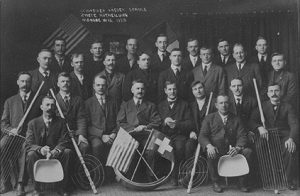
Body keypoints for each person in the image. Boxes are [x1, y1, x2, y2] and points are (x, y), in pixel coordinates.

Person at [249, 83, 299, 190]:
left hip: (283, 137)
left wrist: (291, 139)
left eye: (276, 91)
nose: (274, 93)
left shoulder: (288, 107)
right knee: (258, 148)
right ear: (267, 94)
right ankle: (263, 180)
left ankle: (288, 180)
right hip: (267, 136)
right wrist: (259, 127)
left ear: (281, 92)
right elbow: (252, 121)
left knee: (290, 149)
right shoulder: (262, 106)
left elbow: (294, 124)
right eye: (271, 91)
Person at [0, 72, 42, 196]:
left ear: (31, 83)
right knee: (1, 147)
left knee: (25, 149)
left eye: (27, 81)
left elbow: (42, 121)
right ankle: (6, 182)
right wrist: (11, 130)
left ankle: (20, 184)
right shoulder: (10, 101)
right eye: (22, 81)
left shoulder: (39, 99)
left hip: (29, 137)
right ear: (18, 82)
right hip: (13, 135)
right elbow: (3, 124)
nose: (25, 84)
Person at [199, 94, 252, 193]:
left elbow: (242, 136)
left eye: (226, 103)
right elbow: (202, 136)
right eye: (221, 103)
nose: (224, 105)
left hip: (233, 151)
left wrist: (237, 148)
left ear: (230, 104)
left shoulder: (236, 119)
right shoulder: (209, 118)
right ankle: (215, 182)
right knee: (210, 152)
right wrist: (209, 146)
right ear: (216, 105)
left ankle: (241, 181)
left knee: (248, 152)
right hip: (217, 150)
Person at [26, 96, 73, 196]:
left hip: (56, 153)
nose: (49, 107)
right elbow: (29, 143)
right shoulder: (32, 123)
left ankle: (62, 188)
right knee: (31, 154)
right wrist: (40, 149)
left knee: (68, 152)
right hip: (39, 154)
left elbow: (65, 140)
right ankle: (37, 189)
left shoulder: (62, 122)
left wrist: (55, 151)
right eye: (47, 105)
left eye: (52, 105)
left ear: (55, 107)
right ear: (41, 107)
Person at [117, 80, 161, 182]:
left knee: (151, 150)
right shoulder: (125, 105)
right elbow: (120, 122)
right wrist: (133, 129)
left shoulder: (151, 105)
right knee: (128, 149)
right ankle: (130, 177)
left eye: (142, 88)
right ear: (132, 90)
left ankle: (150, 176)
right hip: (130, 137)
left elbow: (157, 122)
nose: (140, 91)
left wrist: (145, 127)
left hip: (146, 136)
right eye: (137, 88)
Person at [157, 81, 193, 186]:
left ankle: (175, 176)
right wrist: (164, 122)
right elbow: (157, 123)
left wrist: (176, 124)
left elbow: (189, 123)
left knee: (178, 148)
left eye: (174, 89)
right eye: (169, 89)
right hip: (165, 135)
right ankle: (161, 176)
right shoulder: (160, 106)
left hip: (179, 135)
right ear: (165, 91)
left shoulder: (184, 104)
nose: (172, 91)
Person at [85, 75, 119, 182]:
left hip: (112, 133)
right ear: (94, 86)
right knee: (97, 145)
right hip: (96, 135)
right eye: (98, 85)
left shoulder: (113, 101)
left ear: (107, 86)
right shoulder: (88, 103)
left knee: (121, 144)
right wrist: (102, 135)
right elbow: (87, 125)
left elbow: (119, 120)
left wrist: (114, 133)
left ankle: (115, 176)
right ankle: (97, 176)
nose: (101, 87)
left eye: (103, 85)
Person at [55, 72, 89, 155]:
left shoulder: (78, 100)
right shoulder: (53, 99)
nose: (65, 83)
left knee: (84, 146)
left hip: (75, 134)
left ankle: (81, 168)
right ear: (58, 84)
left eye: (68, 81)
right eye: (62, 81)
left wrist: (80, 134)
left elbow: (81, 118)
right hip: (59, 136)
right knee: (66, 152)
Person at [185, 81, 215, 160]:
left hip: (210, 135)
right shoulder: (190, 105)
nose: (198, 91)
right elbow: (188, 121)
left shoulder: (213, 102)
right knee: (188, 146)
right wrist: (190, 132)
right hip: (196, 135)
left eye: (200, 88)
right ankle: (189, 169)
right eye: (195, 89)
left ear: (204, 89)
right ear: (192, 91)